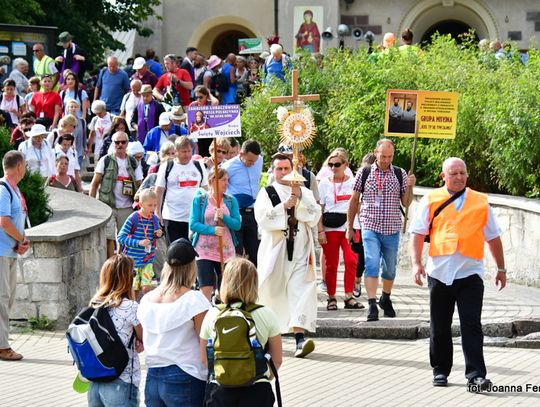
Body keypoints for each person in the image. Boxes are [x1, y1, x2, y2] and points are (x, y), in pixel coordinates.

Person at [409, 157, 506, 391]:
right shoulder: (431, 199)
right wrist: (416, 263)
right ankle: (440, 370)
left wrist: (501, 268)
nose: (459, 177)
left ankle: (476, 375)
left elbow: (493, 237)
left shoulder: (481, 201)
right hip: (439, 272)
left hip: (470, 273)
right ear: (443, 176)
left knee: (471, 324)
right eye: (454, 173)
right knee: (439, 325)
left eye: (462, 173)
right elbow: (417, 233)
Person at [255, 153, 321, 358]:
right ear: (272, 171)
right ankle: (267, 338)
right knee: (272, 292)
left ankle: (300, 339)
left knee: (300, 289)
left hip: (301, 250)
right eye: (279, 169)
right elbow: (263, 219)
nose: (283, 173)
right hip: (276, 250)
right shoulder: (267, 193)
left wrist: (298, 201)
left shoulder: (304, 191)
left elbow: (314, 214)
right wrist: (284, 207)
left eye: (286, 168)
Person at [346, 139, 416, 322]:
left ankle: (385, 297)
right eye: (383, 156)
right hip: (370, 226)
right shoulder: (365, 172)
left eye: (390, 156)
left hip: (392, 228)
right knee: (371, 263)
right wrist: (350, 227)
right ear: (376, 153)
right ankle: (371, 303)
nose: (386, 160)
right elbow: (354, 200)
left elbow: (406, 202)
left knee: (390, 269)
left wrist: (410, 186)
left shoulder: (399, 174)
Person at [200, 257, 283, 406]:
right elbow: (277, 359)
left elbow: (205, 360)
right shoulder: (266, 314)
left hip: (219, 390)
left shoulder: (212, 314)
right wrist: (259, 376)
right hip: (256, 390)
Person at [137, 238, 210, 406]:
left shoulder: (147, 299)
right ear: (192, 267)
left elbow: (141, 336)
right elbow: (204, 344)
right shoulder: (194, 300)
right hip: (186, 374)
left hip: (153, 376)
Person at [87, 254, 143, 406]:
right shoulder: (131, 307)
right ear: (127, 278)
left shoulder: (94, 304)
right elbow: (144, 338)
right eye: (133, 273)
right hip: (121, 381)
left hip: (95, 382)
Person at [318, 149, 362, 310]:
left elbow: (358, 205)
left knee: (351, 260)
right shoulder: (324, 183)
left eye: (337, 164)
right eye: (330, 165)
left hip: (349, 225)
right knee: (331, 264)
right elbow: (319, 208)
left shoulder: (353, 182)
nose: (333, 167)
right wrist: (320, 230)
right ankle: (331, 297)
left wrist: (358, 226)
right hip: (330, 226)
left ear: (346, 165)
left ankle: (349, 296)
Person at [189, 167, 241, 300]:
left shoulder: (231, 200)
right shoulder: (199, 200)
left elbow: (237, 224)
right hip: (204, 251)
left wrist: (224, 217)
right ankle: (203, 317)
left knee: (225, 289)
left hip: (226, 251)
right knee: (205, 288)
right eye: (223, 180)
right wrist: (212, 230)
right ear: (212, 180)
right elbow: (193, 224)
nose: (227, 183)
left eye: (227, 180)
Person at [90, 131, 143, 258]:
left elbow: (140, 184)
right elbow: (95, 183)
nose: (120, 145)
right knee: (108, 238)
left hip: (127, 206)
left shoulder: (133, 161)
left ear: (127, 144)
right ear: (113, 144)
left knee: (125, 237)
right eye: (117, 142)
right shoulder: (105, 160)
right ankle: (111, 264)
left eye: (123, 142)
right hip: (108, 205)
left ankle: (122, 263)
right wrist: (92, 205)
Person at [0, 151, 30, 361]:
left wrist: (21, 240)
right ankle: (2, 347)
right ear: (19, 166)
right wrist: (20, 239)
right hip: (2, 252)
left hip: (9, 252)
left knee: (6, 299)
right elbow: (4, 221)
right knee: (2, 299)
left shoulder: (13, 189)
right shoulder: (3, 190)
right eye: (25, 165)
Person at [156, 136, 208, 244]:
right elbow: (159, 191)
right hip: (172, 218)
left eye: (189, 151)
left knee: (192, 253)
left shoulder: (199, 166)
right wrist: (158, 213)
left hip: (195, 218)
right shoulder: (167, 166)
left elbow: (206, 190)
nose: (187, 154)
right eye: (184, 151)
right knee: (175, 253)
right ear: (176, 151)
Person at [221, 140, 263, 265]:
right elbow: (219, 185)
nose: (252, 164)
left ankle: (254, 282)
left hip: (253, 212)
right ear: (241, 154)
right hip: (236, 213)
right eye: (249, 161)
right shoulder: (228, 167)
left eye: (254, 161)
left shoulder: (259, 160)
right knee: (236, 252)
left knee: (255, 251)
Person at [118, 188, 163, 298]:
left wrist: (159, 233)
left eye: (155, 205)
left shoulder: (154, 219)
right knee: (134, 289)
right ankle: (134, 307)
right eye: (150, 205)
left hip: (147, 259)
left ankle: (145, 307)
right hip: (133, 260)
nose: (153, 209)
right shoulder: (133, 218)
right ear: (141, 204)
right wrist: (138, 243)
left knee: (146, 287)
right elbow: (121, 237)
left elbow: (156, 234)